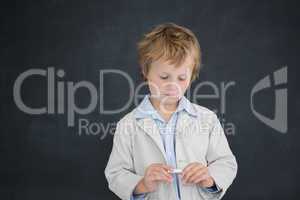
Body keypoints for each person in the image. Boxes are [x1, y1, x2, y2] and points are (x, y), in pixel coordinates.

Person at [104, 23, 238, 200]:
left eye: (182, 78)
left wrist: (209, 179)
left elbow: (225, 162)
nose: (172, 85)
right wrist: (142, 184)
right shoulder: (128, 125)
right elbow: (116, 173)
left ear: (191, 78)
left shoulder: (207, 119)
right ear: (146, 71)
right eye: (164, 77)